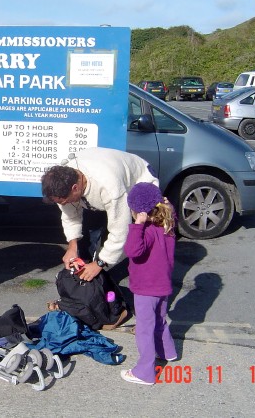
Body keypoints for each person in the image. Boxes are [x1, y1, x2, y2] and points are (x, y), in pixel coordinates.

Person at [41, 147, 159, 283]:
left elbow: (120, 230)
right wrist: (72, 246)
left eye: (65, 201)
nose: (64, 204)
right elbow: (70, 217)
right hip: (99, 187)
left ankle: (139, 279)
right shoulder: (61, 181)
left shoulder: (110, 187)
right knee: (89, 235)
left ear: (75, 188)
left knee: (142, 238)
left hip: (139, 179)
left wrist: (99, 264)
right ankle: (90, 279)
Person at [120, 182, 177, 385]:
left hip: (146, 288)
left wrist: (137, 225)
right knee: (160, 319)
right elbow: (170, 211)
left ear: (137, 211)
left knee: (145, 327)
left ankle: (145, 372)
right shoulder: (168, 223)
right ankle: (167, 351)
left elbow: (133, 251)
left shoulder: (146, 231)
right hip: (163, 285)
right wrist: (168, 206)